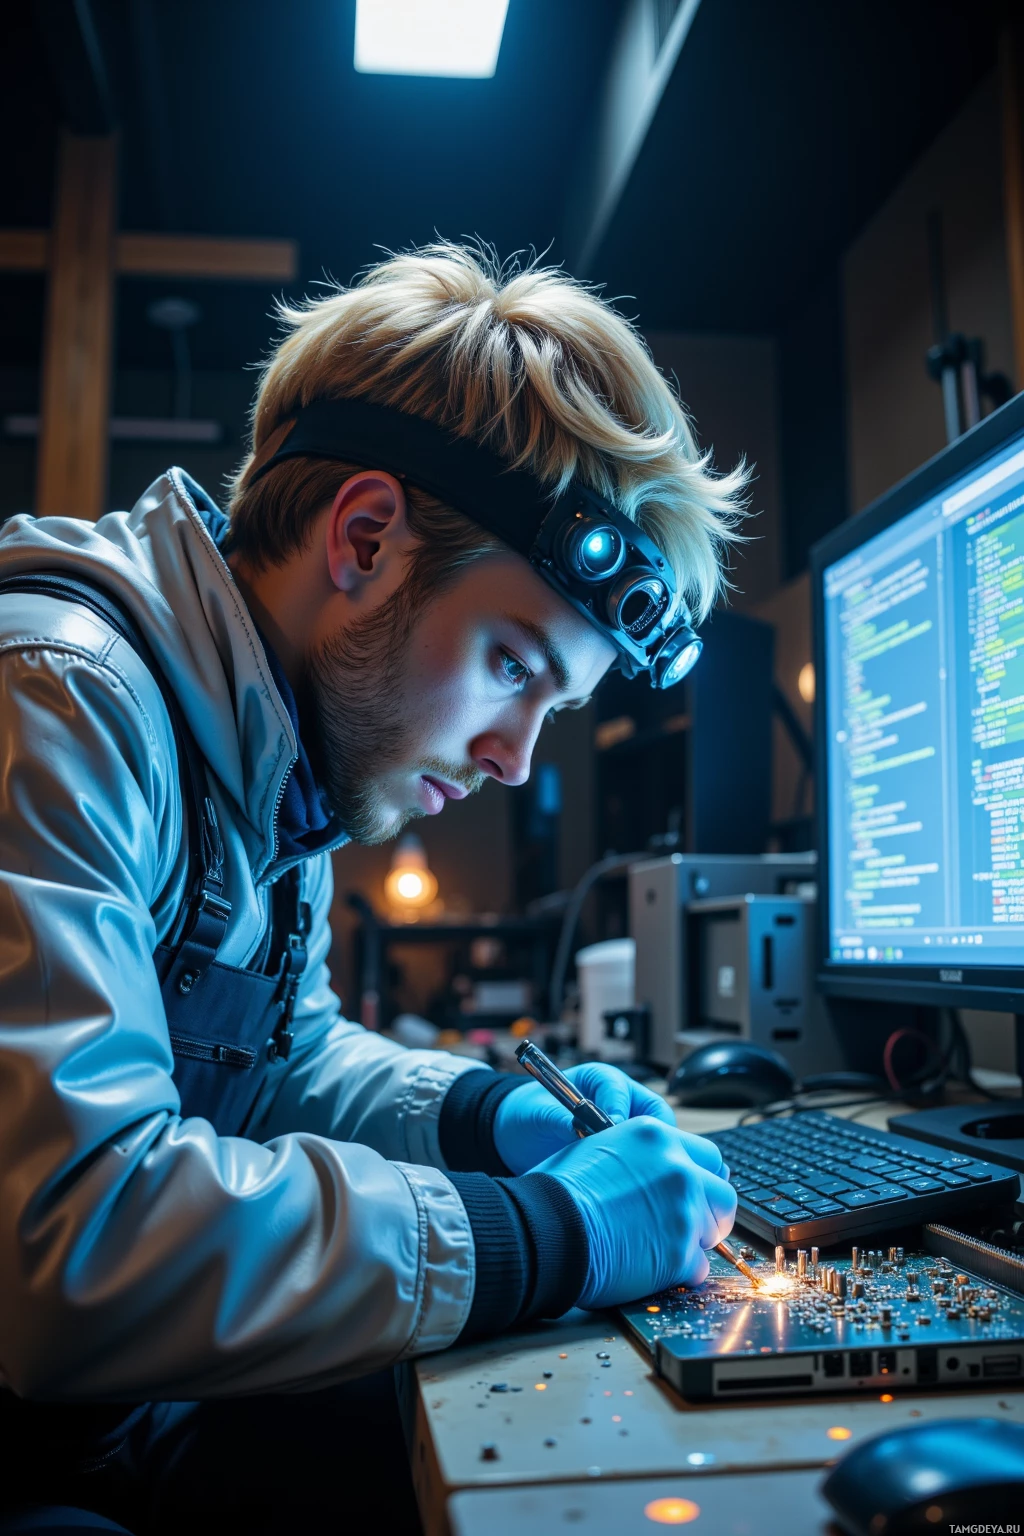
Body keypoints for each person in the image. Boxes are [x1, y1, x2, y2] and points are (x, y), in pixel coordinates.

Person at [0, 245, 746, 1534]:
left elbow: (280, 1062)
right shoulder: (60, 699)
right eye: (515, 664)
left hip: (99, 1423)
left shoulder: (266, 756)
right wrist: (550, 1230)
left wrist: (485, 1120)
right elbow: (70, 1249)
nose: (518, 758)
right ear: (364, 537)